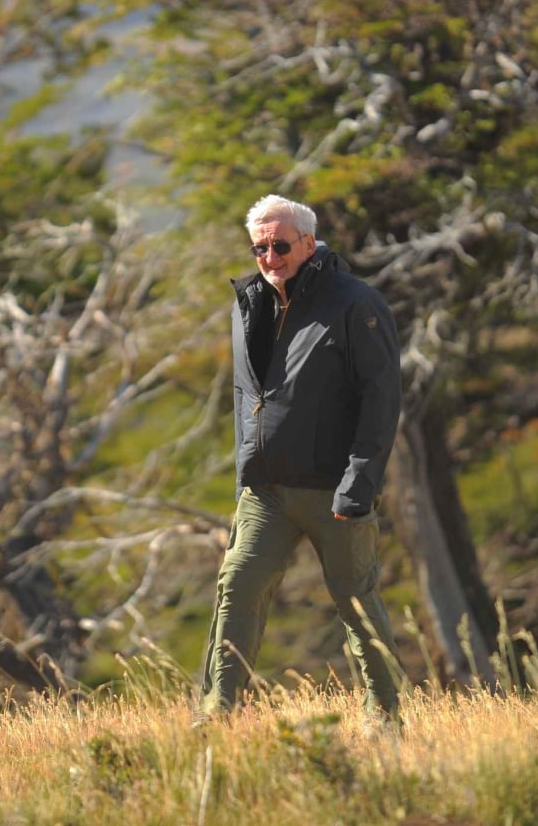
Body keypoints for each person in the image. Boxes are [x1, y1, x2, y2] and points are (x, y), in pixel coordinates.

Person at [197, 194, 403, 724]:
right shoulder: (248, 302)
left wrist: (359, 483)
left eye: (281, 245)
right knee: (236, 587)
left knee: (356, 603)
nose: (270, 256)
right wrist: (247, 470)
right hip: (265, 490)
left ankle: (385, 719)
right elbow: (248, 396)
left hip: (334, 489)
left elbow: (380, 398)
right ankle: (217, 715)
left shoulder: (354, 303)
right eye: (260, 246)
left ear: (309, 243)